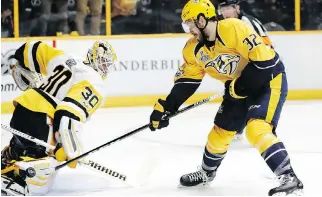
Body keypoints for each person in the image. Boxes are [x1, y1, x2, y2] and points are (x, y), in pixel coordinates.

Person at [148, 0, 303, 195]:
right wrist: (167, 107)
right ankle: (206, 173)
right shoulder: (193, 49)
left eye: (190, 23)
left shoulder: (234, 28)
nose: (189, 30)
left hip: (268, 81)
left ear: (202, 20)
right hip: (237, 86)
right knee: (219, 133)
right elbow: (187, 82)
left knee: (257, 128)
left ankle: (290, 178)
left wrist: (238, 87)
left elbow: (266, 64)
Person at [1, 40, 117, 195]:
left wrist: (21, 67)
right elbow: (67, 113)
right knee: (46, 171)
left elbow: (30, 49)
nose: (104, 68)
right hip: (42, 119)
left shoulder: (66, 57)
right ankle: (18, 179)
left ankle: (9, 158)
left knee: (23, 144)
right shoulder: (95, 82)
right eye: (103, 63)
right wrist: (71, 150)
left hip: (22, 107)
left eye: (107, 65)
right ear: (93, 57)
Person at [219, 0, 274, 140]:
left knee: (252, 99)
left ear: (237, 8)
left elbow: (266, 47)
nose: (224, 13)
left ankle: (262, 131)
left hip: (261, 66)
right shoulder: (226, 25)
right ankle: (237, 129)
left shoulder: (246, 22)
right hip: (247, 67)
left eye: (227, 9)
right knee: (240, 97)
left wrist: (254, 70)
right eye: (222, 9)